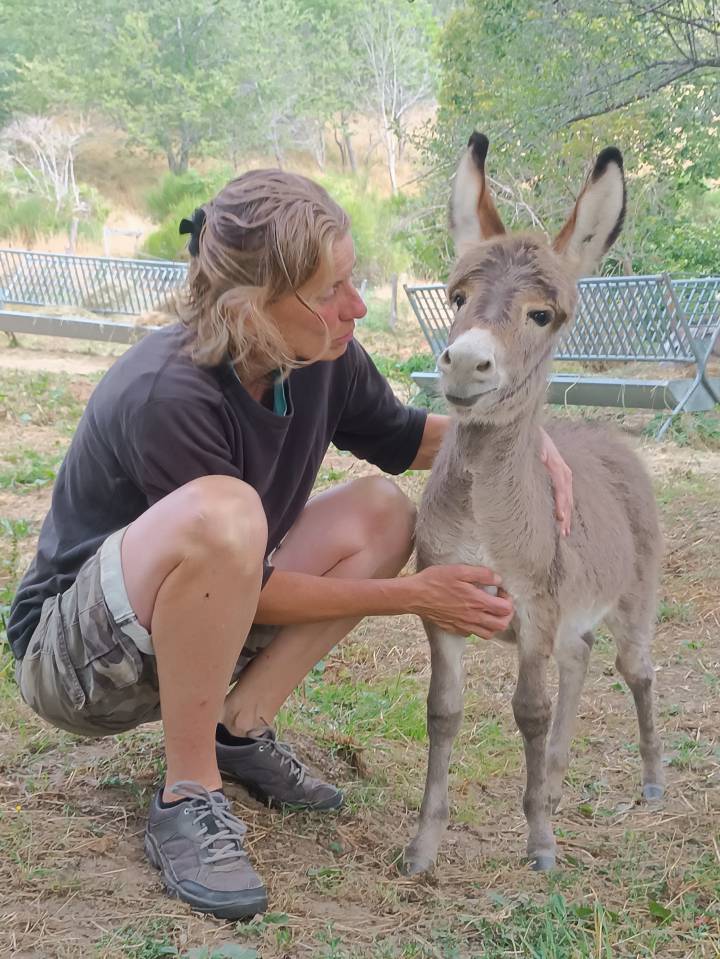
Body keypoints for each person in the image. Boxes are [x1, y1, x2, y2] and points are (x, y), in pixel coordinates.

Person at [6, 170, 572, 921]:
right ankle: (189, 792)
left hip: (195, 618)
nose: (356, 306)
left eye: (354, 278)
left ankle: (236, 729)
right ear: (249, 306)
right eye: (329, 289)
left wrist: (525, 440)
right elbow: (249, 580)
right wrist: (408, 597)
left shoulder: (323, 355)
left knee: (381, 510)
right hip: (76, 663)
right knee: (227, 514)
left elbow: (412, 439)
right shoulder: (170, 393)